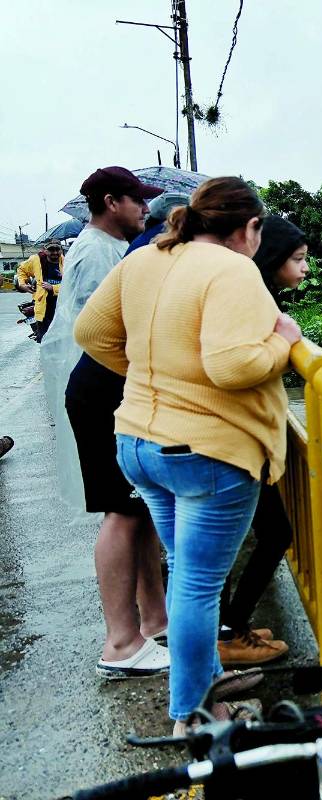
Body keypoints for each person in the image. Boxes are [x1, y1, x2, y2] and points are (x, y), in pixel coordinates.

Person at [74, 177, 302, 734]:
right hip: (206, 454)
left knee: (184, 574)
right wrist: (284, 341)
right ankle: (196, 715)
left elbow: (90, 333)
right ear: (250, 228)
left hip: (138, 443)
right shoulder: (233, 269)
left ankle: (204, 686)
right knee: (199, 585)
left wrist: (159, 377)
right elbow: (233, 366)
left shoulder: (144, 258)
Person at [42, 167, 171, 680]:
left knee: (139, 508)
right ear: (111, 201)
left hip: (111, 389)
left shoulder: (110, 247)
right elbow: (110, 329)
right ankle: (120, 642)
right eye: (137, 199)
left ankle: (154, 620)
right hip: (103, 392)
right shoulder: (97, 252)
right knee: (121, 510)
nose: (145, 209)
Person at [216, 216, 309, 666]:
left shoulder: (255, 295)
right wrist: (284, 345)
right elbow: (243, 364)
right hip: (239, 437)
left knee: (251, 537)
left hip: (240, 435)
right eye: (299, 259)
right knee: (267, 535)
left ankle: (231, 626)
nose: (305, 268)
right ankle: (228, 633)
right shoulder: (253, 298)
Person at [15, 241, 64, 342]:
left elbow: (72, 283)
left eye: (57, 249)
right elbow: (21, 269)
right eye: (51, 249)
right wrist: (22, 284)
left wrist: (53, 288)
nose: (55, 252)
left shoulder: (67, 261)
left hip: (62, 305)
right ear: (45, 250)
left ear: (61, 250)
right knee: (45, 338)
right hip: (43, 307)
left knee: (62, 338)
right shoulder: (36, 260)